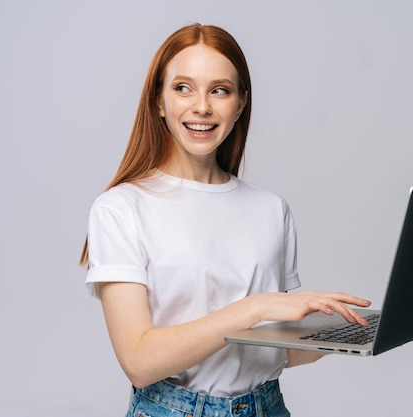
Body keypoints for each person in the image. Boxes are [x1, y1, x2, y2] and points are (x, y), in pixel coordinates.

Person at [80, 23, 371, 417]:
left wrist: (357, 333)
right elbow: (139, 361)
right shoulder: (120, 208)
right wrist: (255, 307)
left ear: (241, 102)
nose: (202, 106)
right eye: (183, 87)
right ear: (159, 102)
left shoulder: (271, 209)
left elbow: (275, 351)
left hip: (267, 407)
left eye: (220, 89)